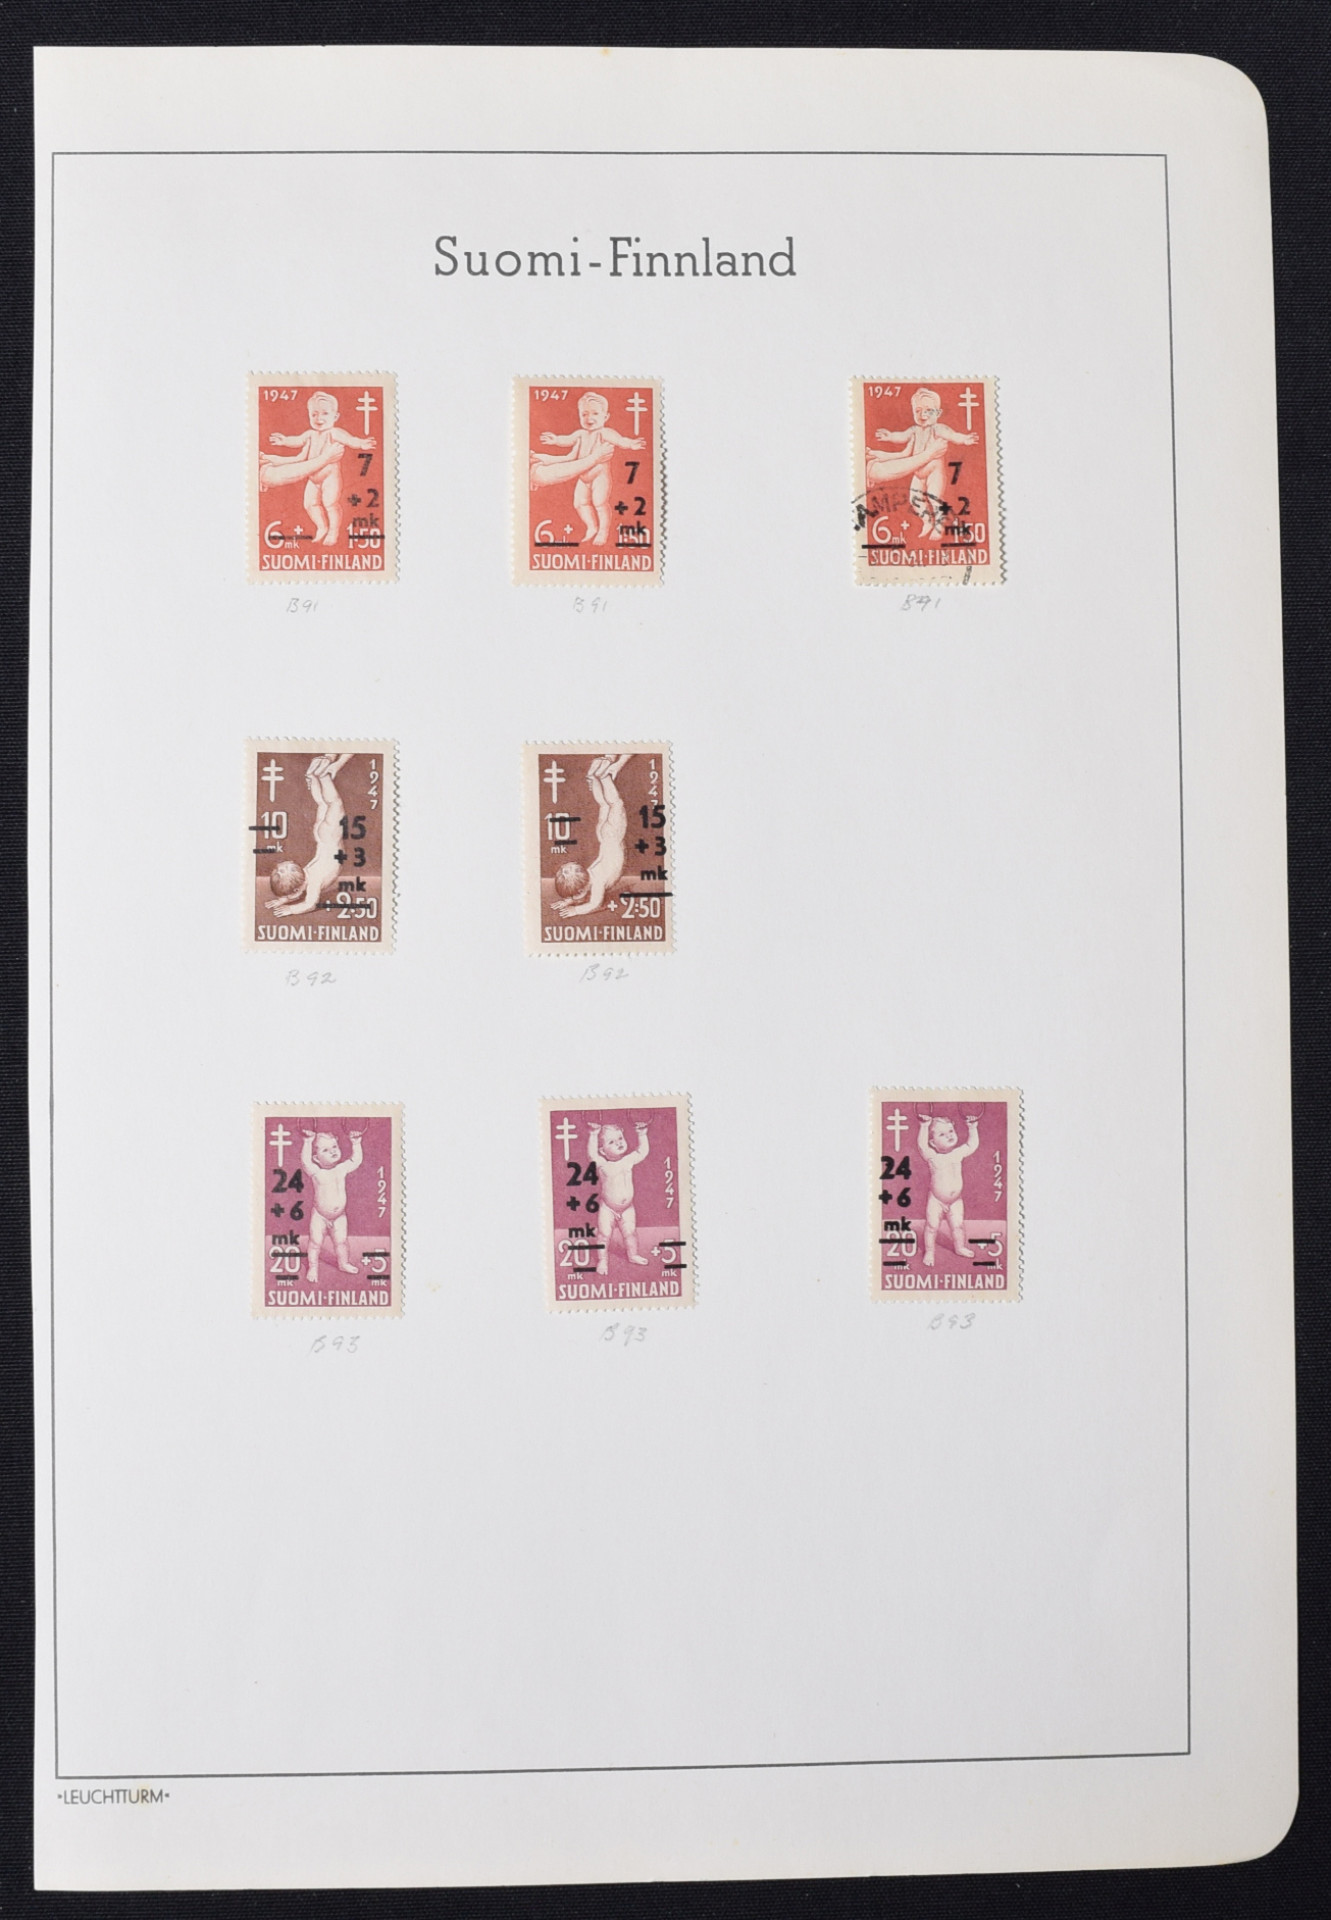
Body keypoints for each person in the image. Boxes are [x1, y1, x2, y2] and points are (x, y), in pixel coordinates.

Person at [259, 390, 377, 547]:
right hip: (313, 480)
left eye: (325, 413)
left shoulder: (334, 433)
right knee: (309, 504)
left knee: (330, 504)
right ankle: (322, 527)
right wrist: (284, 441)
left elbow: (350, 440)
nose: (319, 418)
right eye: (314, 414)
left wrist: (361, 443)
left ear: (335, 417)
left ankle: (333, 531)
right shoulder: (310, 434)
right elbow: (297, 441)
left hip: (330, 478)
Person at [528, 392, 646, 546]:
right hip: (583, 479)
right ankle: (592, 526)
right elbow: (567, 440)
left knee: (600, 503)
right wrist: (555, 440)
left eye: (595, 413)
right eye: (584, 414)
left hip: (599, 477)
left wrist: (631, 444)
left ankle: (603, 531)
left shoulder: (604, 433)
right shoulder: (581, 434)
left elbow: (620, 440)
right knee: (579, 503)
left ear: (605, 417)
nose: (589, 418)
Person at [866, 387, 978, 541]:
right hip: (918, 475)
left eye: (928, 410)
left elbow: (952, 435)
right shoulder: (914, 430)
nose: (922, 414)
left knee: (934, 498)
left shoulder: (938, 429)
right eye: (918, 410)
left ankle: (939, 526)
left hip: (934, 473)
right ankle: (927, 521)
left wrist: (965, 439)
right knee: (915, 499)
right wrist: (890, 436)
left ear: (938, 413)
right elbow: (902, 436)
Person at [268, 752, 351, 917]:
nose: (282, 867)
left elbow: (302, 897)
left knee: (333, 803)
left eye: (279, 870)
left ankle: (322, 776)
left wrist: (287, 903)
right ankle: (314, 776)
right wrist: (287, 904)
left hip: (328, 839)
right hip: (323, 838)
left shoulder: (309, 881)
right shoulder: (310, 880)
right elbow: (307, 902)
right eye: (285, 870)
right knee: (325, 804)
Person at [554, 753, 630, 917]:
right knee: (606, 805)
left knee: (614, 804)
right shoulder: (592, 878)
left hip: (611, 837)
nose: (574, 897)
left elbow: (591, 902)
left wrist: (574, 908)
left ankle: (603, 776)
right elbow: (588, 899)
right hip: (605, 837)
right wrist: (570, 902)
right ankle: (595, 777)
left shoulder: (596, 881)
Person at [917, 1109, 981, 1266]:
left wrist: (972, 1128)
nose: (949, 1135)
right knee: (931, 1226)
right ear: (933, 1143)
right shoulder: (932, 1156)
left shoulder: (958, 1153)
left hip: (955, 1200)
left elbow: (972, 1145)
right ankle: (929, 1252)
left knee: (958, 1226)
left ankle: (960, 1247)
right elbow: (922, 1146)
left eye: (951, 1131)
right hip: (936, 1200)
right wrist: (924, 1126)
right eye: (942, 1134)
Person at [300, 1127, 364, 1280]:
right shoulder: (316, 1172)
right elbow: (305, 1162)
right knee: (315, 1243)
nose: (333, 1151)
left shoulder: (341, 1169)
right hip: (320, 1216)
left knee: (341, 1242)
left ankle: (343, 1263)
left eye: (334, 1146)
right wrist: (307, 1142)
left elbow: (356, 1160)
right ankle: (313, 1268)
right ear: (316, 1158)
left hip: (339, 1216)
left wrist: (356, 1143)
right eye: (325, 1150)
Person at [588, 1119, 651, 1272]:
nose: (618, 1143)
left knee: (630, 1233)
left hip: (627, 1208)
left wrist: (642, 1134)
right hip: (607, 1208)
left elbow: (642, 1151)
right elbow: (592, 1155)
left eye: (620, 1138)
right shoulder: (602, 1164)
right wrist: (594, 1134)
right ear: (603, 1150)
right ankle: (602, 1261)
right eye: (611, 1142)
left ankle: (633, 1255)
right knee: (604, 1235)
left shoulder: (628, 1160)